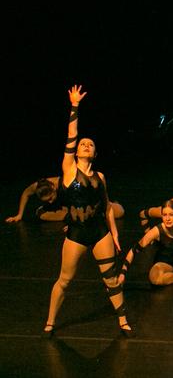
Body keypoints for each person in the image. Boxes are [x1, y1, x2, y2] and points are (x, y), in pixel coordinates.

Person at [44, 86, 130, 336]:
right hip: (77, 233)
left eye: (90, 145)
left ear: (95, 152)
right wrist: (74, 106)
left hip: (100, 232)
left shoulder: (101, 177)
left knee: (111, 280)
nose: (85, 146)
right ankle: (50, 322)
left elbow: (108, 208)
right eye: (83, 144)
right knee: (65, 279)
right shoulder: (69, 170)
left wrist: (114, 235)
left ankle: (123, 320)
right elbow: (71, 134)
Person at [6, 175, 124, 223]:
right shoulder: (37, 187)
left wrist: (74, 222)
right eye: (46, 201)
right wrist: (19, 215)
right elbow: (25, 194)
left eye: (51, 198)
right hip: (65, 207)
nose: (50, 201)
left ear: (53, 187)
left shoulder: (66, 184)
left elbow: (84, 197)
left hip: (83, 203)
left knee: (119, 212)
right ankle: (71, 215)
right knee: (40, 214)